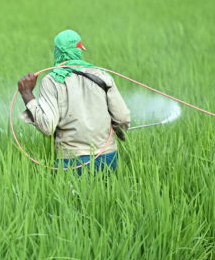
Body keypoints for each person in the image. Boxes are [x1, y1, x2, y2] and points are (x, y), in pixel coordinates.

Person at [17, 29, 130, 175]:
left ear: (57, 52)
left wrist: (27, 94)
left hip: (71, 162)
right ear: (79, 49)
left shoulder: (51, 81)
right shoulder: (103, 76)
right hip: (108, 157)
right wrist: (120, 133)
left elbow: (47, 126)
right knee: (107, 196)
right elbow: (122, 118)